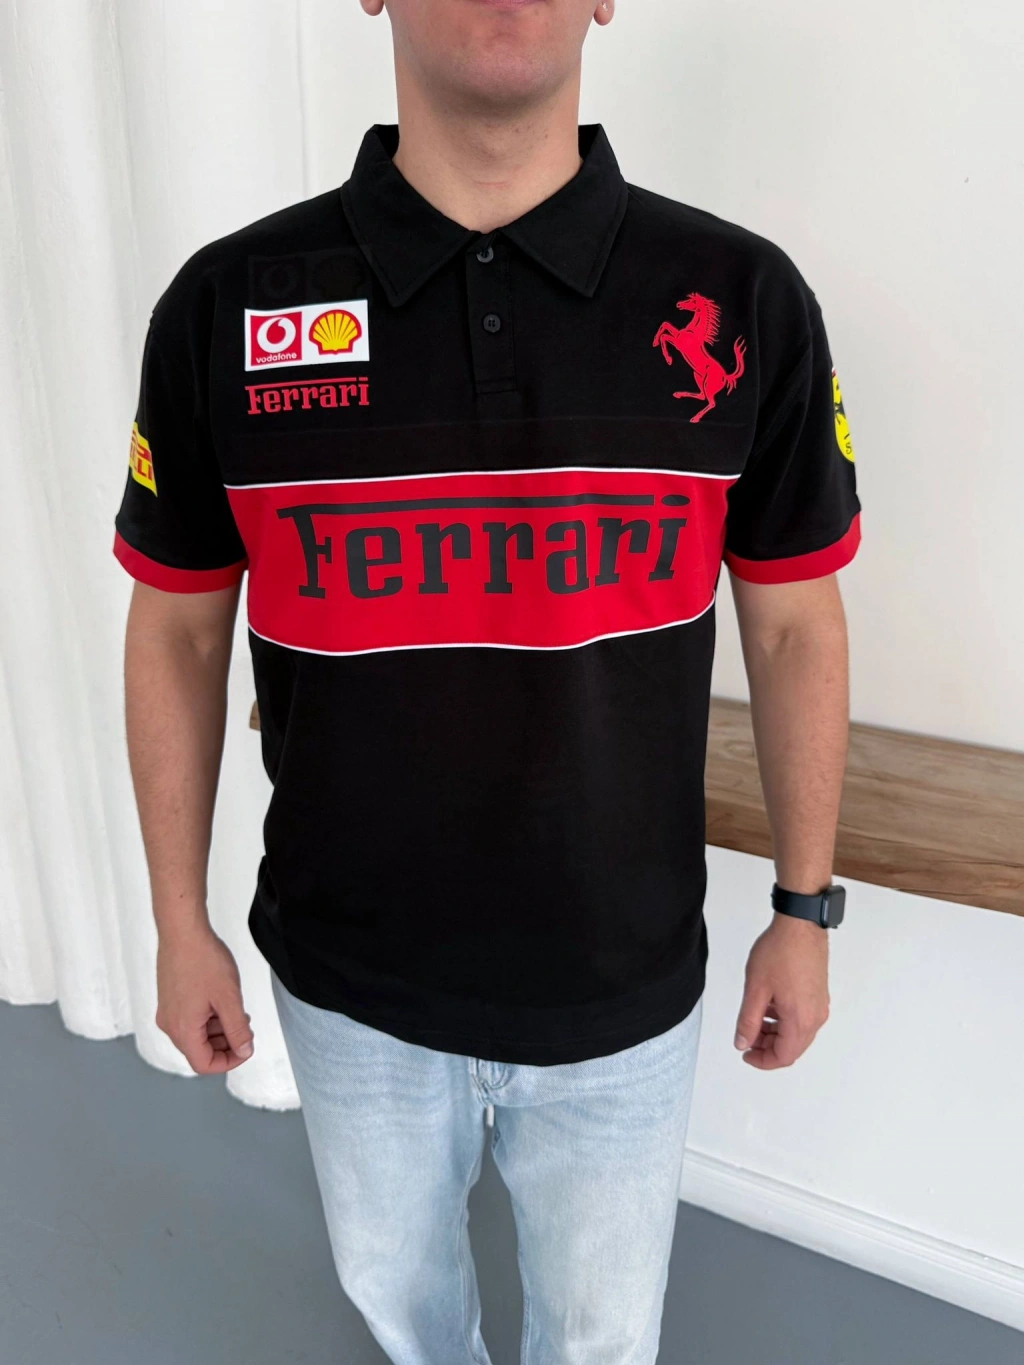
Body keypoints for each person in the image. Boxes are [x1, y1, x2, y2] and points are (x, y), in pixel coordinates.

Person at [113, 1, 861, 1360]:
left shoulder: (743, 298)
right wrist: (177, 920)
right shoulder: (230, 305)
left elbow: (796, 622)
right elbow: (176, 629)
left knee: (601, 1341)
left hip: (620, 986)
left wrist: (804, 909)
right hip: (349, 989)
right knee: (406, 1317)